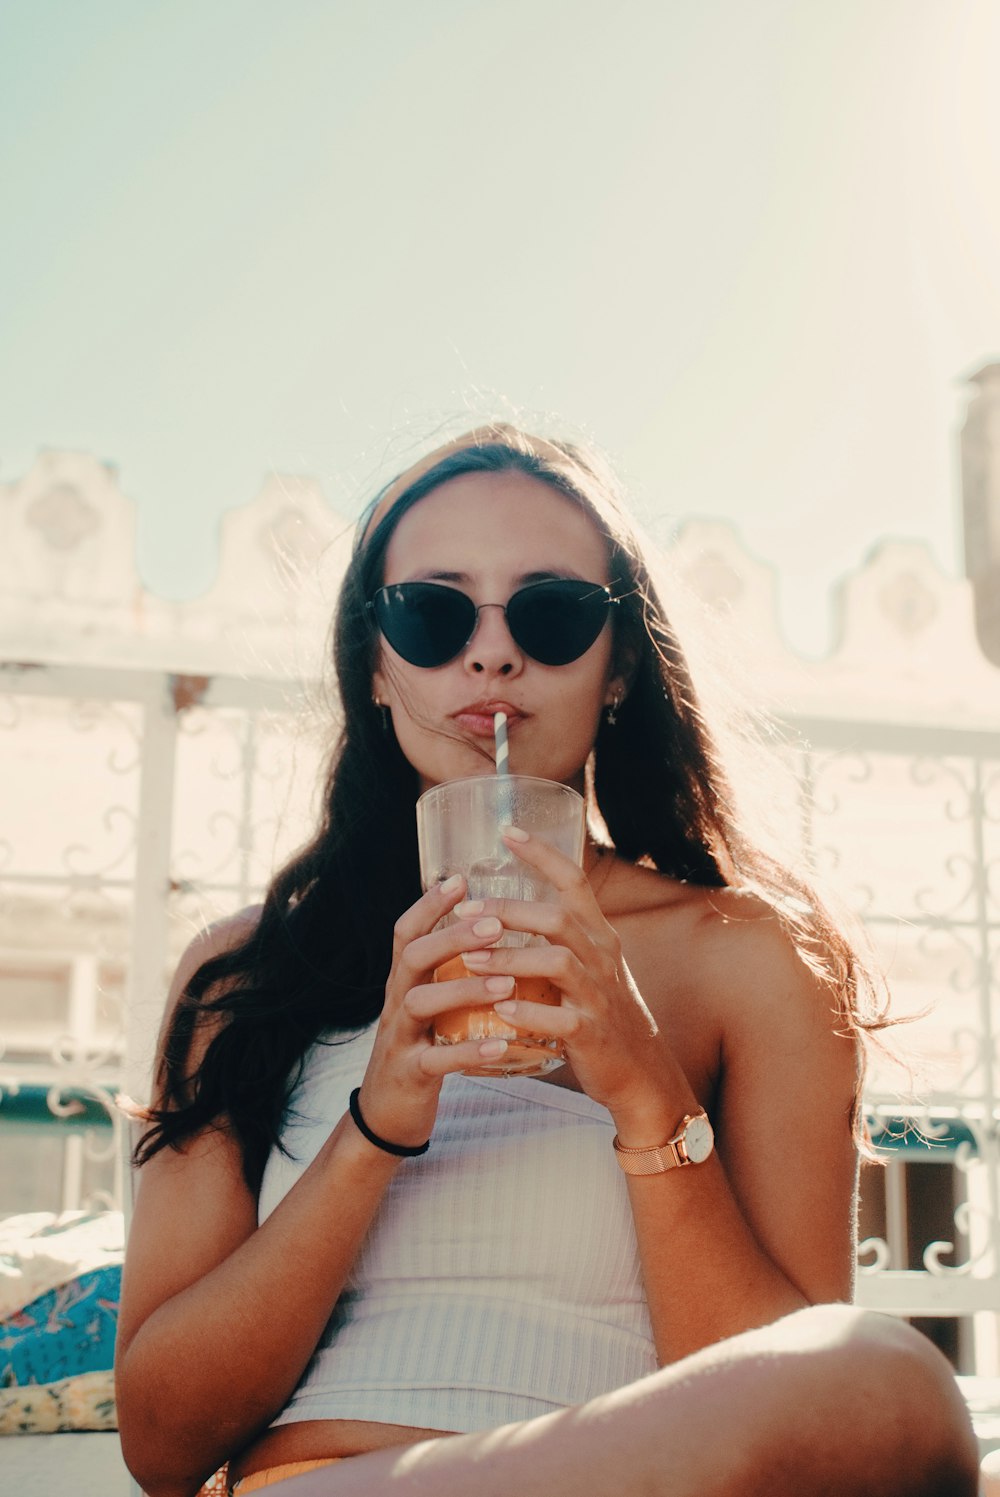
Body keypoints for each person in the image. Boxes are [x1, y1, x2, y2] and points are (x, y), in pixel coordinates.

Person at [115, 424, 978, 1497]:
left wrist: (640, 1083)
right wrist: (376, 1120)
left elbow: (798, 1401)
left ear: (619, 669)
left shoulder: (747, 957)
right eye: (430, 614)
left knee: (875, 1381)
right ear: (374, 668)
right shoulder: (246, 971)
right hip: (337, 1480)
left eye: (551, 613)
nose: (491, 655)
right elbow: (160, 1443)